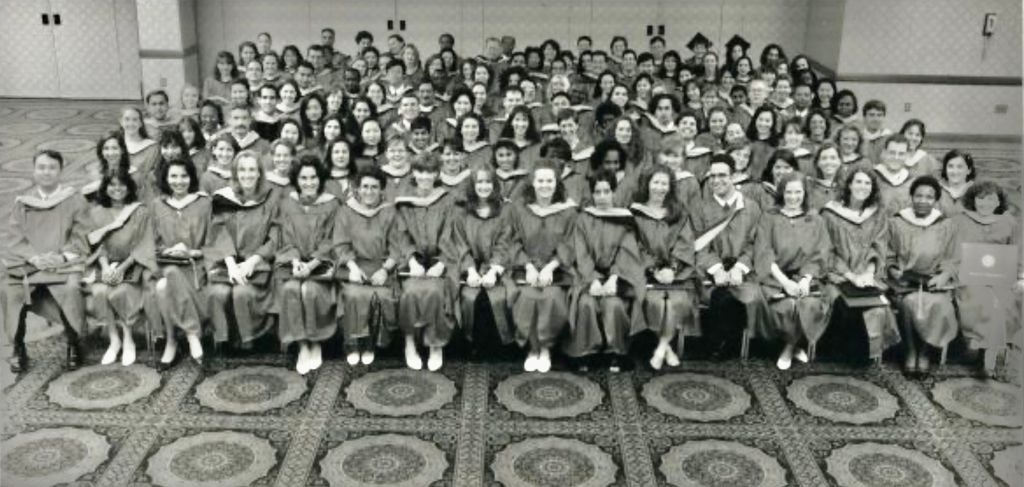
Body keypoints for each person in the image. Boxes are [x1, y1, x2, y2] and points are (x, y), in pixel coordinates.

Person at [2, 151, 89, 372]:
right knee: (10, 290)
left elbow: (81, 234)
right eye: (41, 167)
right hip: (30, 264)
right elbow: (14, 237)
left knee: (70, 288)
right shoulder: (22, 203)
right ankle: (18, 347)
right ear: (34, 171)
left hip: (64, 263)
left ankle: (73, 342)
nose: (46, 172)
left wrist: (61, 256)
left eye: (52, 167)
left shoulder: (74, 199)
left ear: (60, 171)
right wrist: (34, 257)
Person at [820, 169, 900, 365]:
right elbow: (826, 250)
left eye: (867, 183)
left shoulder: (878, 215)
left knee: (877, 306)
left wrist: (868, 272)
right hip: (837, 275)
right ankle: (843, 355)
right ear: (849, 185)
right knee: (844, 305)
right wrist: (850, 275)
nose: (862, 187)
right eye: (858, 181)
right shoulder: (829, 214)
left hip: (868, 274)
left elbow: (879, 245)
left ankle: (866, 355)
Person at [692, 153, 767, 360]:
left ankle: (727, 342)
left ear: (733, 177)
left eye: (722, 175)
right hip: (708, 274)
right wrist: (715, 268)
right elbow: (698, 245)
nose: (716, 181)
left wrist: (740, 267)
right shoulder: (700, 208)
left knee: (748, 297)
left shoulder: (751, 207)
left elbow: (756, 243)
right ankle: (722, 344)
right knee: (719, 296)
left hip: (743, 273)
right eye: (712, 176)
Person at [754, 173, 832, 370]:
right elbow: (764, 251)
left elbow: (820, 253)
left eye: (798, 192)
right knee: (787, 306)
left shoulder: (815, 219)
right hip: (775, 278)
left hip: (806, 277)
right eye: (789, 192)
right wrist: (784, 282)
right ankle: (794, 345)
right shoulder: (769, 217)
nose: (793, 197)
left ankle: (789, 346)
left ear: (805, 194)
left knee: (808, 304)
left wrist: (805, 280)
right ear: (781, 193)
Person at [567, 169, 643, 370]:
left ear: (614, 192)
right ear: (592, 194)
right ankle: (586, 352)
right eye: (597, 192)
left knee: (614, 305)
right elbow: (580, 252)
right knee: (586, 304)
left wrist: (613, 279)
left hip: (618, 278)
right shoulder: (583, 219)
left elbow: (627, 251)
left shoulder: (625, 219)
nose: (602, 197)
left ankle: (615, 352)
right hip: (588, 277)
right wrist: (592, 279)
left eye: (606, 191)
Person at [507, 160, 578, 372]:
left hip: (558, 270)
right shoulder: (519, 209)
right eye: (540, 180)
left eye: (549, 180)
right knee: (527, 297)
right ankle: (533, 347)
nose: (545, 185)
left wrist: (551, 267)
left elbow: (571, 242)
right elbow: (512, 240)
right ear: (533, 183)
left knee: (551, 297)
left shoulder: (568, 212)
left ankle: (546, 348)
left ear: (557, 183)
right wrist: (528, 266)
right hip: (524, 269)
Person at [206, 151, 280, 351]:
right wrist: (231, 265)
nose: (247, 175)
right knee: (217, 292)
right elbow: (219, 232)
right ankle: (222, 340)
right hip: (226, 263)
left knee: (242, 292)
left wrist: (252, 261)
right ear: (235, 173)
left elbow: (276, 236)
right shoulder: (224, 198)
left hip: (259, 264)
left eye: (251, 170)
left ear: (259, 173)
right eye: (242, 170)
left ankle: (249, 339)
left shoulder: (271, 198)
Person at [886, 176, 959, 375]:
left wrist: (944, 275)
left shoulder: (945, 224)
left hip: (934, 281)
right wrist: (893, 269)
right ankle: (910, 351)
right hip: (905, 282)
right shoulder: (896, 222)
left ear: (936, 200)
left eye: (929, 197)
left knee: (942, 305)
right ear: (911, 196)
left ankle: (925, 352)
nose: (923, 200)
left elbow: (951, 257)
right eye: (918, 195)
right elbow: (888, 254)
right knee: (909, 303)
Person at [85, 169, 156, 367]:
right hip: (106, 265)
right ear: (105, 188)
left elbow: (144, 244)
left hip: (132, 265)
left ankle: (128, 338)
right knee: (99, 291)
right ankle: (114, 340)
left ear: (129, 187)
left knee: (121, 292)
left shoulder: (140, 211)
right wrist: (106, 267)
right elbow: (96, 245)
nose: (117, 189)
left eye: (121, 184)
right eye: (112, 185)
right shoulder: (96, 213)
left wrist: (122, 268)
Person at [275, 156, 339, 374]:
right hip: (293, 264)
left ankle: (316, 341)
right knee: (292, 289)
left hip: (320, 264)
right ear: (296, 179)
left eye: (313, 177)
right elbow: (285, 238)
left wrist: (311, 265)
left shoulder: (331, 204)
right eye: (304, 178)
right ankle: (303, 345)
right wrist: (294, 261)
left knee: (310, 289)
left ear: (320, 179)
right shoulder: (287, 204)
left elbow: (331, 239)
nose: (309, 182)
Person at [393, 155, 455, 370]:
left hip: (441, 260)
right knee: (410, 293)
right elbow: (401, 234)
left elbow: (451, 234)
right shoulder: (404, 202)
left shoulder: (447, 200)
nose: (425, 177)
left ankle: (435, 346)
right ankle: (409, 343)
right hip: (413, 262)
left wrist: (442, 263)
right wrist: (410, 260)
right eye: (421, 171)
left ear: (437, 174)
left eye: (430, 172)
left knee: (436, 292)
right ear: (414, 173)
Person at [333, 168, 399, 366]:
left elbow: (397, 246)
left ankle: (370, 344)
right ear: (357, 189)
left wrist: (385, 269)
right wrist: (352, 268)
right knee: (354, 295)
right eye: (365, 187)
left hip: (382, 267)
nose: (369, 191)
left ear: (381, 190)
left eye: (374, 187)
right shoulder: (345, 211)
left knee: (380, 296)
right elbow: (341, 244)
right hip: (354, 266)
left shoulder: (389, 212)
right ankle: (353, 344)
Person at [954, 182, 1020, 375]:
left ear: (999, 201)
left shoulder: (1009, 222)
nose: (985, 203)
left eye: (991, 198)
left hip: (1000, 277)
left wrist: (1020, 276)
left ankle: (988, 352)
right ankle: (986, 354)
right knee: (984, 301)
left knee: (1005, 301)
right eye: (980, 198)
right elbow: (952, 251)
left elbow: (1017, 252)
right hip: (968, 277)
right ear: (973, 200)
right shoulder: (960, 220)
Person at [151, 158, 211, 370]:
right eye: (173, 176)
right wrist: (166, 250)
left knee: (163, 287)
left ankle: (173, 341)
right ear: (166, 179)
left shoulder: (204, 204)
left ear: (191, 178)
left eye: (184, 176)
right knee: (167, 277)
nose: (179, 181)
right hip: (166, 264)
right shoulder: (158, 205)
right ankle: (191, 335)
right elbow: (150, 242)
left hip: (196, 267)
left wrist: (191, 251)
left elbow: (214, 241)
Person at [448, 165, 515, 353]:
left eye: (488, 182)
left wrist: (493, 271)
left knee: (497, 296)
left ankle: (500, 350)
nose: (484, 186)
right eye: (480, 182)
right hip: (469, 266)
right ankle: (472, 347)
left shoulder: (505, 211)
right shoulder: (462, 211)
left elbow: (505, 243)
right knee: (469, 297)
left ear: (495, 185)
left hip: (497, 266)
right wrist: (469, 270)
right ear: (472, 185)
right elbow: (460, 243)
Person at [873, 134, 913, 215]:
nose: (896, 157)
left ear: (908, 155)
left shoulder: (912, 182)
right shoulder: (872, 177)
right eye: (892, 152)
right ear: (884, 152)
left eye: (901, 154)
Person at [937, 149, 976, 217]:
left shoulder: (977, 192)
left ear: (969, 170)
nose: (955, 171)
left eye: (960, 167)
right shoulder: (935, 190)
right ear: (945, 170)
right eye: (950, 166)